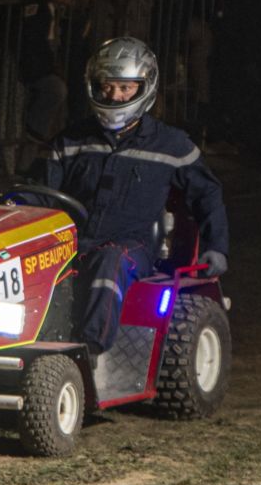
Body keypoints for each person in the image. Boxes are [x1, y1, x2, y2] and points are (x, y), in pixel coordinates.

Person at [40, 37, 230, 359]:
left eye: (125, 88)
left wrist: (217, 247)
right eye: (107, 86)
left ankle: (88, 353)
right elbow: (41, 195)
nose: (115, 96)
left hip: (133, 245)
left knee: (111, 260)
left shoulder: (171, 145)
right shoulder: (70, 141)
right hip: (73, 241)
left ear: (144, 88)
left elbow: (207, 193)